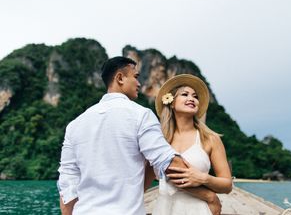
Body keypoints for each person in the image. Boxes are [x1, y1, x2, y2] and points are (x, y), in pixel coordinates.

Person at [57, 57, 221, 215]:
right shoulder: (140, 115)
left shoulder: (74, 125)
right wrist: (209, 196)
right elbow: (170, 164)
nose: (139, 83)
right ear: (120, 78)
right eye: (135, 77)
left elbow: (67, 184)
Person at [145, 74, 232, 215]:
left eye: (195, 96)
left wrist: (203, 178)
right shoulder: (159, 140)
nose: (192, 99)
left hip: (199, 210)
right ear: (171, 102)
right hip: (164, 209)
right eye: (185, 94)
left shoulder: (210, 138)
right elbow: (144, 180)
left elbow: (227, 185)